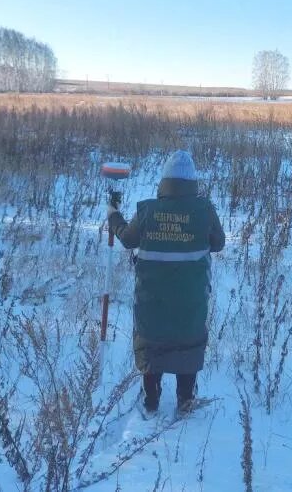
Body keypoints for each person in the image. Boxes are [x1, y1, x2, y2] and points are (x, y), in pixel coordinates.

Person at [107, 150, 225, 413]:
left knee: (152, 340)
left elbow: (127, 238)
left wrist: (113, 214)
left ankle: (151, 397)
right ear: (192, 182)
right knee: (188, 340)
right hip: (191, 298)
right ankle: (185, 398)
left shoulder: (149, 210)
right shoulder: (204, 210)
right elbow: (219, 243)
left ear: (164, 180)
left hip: (152, 299)